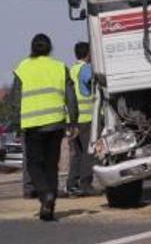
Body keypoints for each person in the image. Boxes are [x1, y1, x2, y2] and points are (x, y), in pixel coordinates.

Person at [11, 34, 78, 221]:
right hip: (55, 123)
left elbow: (15, 99)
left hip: (33, 126)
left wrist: (16, 124)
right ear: (50, 48)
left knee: (34, 165)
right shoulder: (59, 67)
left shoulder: (22, 68)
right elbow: (71, 97)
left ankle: (45, 195)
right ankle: (48, 207)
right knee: (51, 166)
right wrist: (73, 121)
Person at [66, 41, 96, 197]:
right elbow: (93, 82)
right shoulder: (85, 69)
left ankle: (72, 184)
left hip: (73, 119)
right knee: (88, 152)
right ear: (88, 54)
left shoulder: (72, 70)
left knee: (76, 153)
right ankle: (86, 184)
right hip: (86, 117)